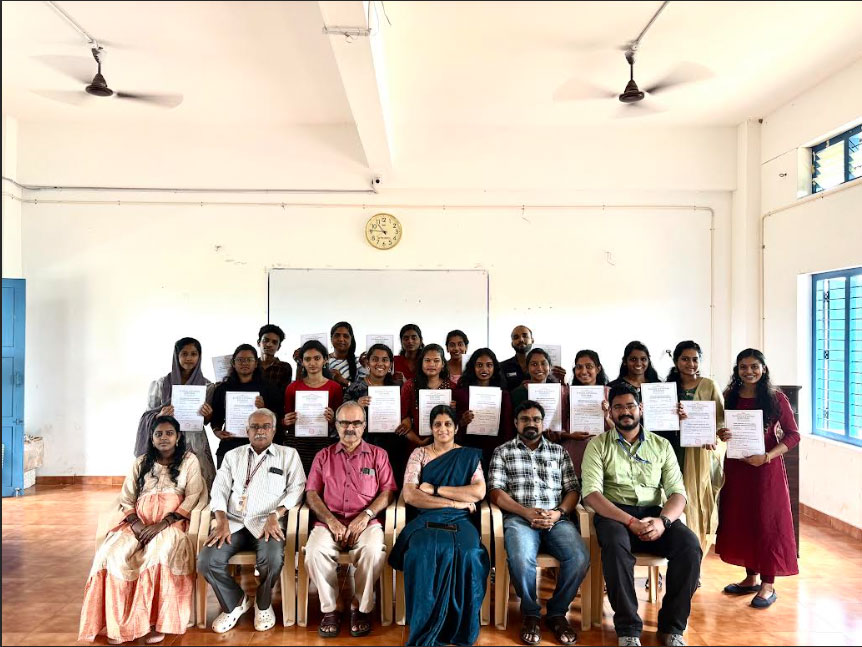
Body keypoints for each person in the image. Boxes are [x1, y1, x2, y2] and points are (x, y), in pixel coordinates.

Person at [581, 383, 701, 647]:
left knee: (690, 546)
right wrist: (630, 522)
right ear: (610, 412)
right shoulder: (597, 445)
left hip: (655, 516)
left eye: (630, 406)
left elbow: (678, 493)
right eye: (618, 407)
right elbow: (591, 494)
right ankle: (628, 630)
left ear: (641, 408)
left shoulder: (662, 445)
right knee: (614, 545)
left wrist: (663, 521)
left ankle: (672, 628)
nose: (625, 412)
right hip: (614, 514)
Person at [80, 415, 206, 644]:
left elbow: (194, 495)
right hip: (138, 523)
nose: (164, 438)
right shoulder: (141, 462)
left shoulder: (189, 461)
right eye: (159, 434)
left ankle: (155, 622)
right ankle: (118, 625)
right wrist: (136, 523)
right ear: (152, 438)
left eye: (169, 433)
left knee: (157, 555)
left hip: (172, 525)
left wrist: (163, 524)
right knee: (110, 554)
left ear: (178, 437)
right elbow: (127, 497)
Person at [488, 400, 589, 646]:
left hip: (556, 519)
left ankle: (557, 612)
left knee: (579, 557)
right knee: (521, 558)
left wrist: (558, 513)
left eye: (536, 419)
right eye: (525, 419)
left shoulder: (558, 452)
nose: (531, 423)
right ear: (516, 423)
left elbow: (573, 490)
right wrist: (525, 512)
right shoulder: (503, 451)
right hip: (519, 518)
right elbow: (495, 491)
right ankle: (531, 613)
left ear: (543, 423)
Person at [198, 408, 306, 633]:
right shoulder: (233, 456)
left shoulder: (288, 455)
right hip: (233, 523)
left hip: (267, 524)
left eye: (266, 426)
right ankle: (235, 602)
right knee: (206, 561)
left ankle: (263, 603)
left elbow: (297, 489)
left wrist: (276, 514)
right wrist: (221, 520)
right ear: (247, 431)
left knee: (272, 559)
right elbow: (219, 490)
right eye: (255, 427)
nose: (260, 431)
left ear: (274, 430)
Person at [389, 405, 490, 647]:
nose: (442, 429)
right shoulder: (419, 454)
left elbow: (478, 492)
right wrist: (455, 502)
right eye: (437, 424)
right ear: (431, 428)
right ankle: (424, 622)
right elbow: (411, 495)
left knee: (469, 554)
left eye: (448, 424)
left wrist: (435, 489)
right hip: (426, 517)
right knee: (421, 552)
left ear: (456, 428)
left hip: (461, 520)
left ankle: (460, 625)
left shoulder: (468, 456)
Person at [305, 402, 397, 638]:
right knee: (314, 552)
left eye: (356, 423)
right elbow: (312, 493)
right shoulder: (323, 456)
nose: (350, 428)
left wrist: (366, 515)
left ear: (364, 426)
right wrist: (330, 520)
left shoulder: (378, 455)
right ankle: (332, 606)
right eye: (344, 422)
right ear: (336, 425)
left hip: (366, 522)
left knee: (373, 551)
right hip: (330, 521)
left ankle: (360, 605)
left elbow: (388, 491)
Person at [716, 349, 799, 609]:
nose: (749, 371)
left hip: (765, 470)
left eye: (754, 366)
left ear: (764, 368)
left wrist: (767, 456)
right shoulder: (730, 395)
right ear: (737, 370)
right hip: (737, 468)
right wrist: (722, 433)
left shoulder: (776, 398)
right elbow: (720, 427)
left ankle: (768, 584)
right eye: (743, 367)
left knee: (766, 523)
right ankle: (751, 578)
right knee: (744, 520)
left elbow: (793, 435)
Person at [664, 341, 726, 558]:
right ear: (676, 361)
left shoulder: (709, 385)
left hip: (698, 455)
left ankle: (693, 558)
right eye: (685, 359)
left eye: (695, 359)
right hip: (671, 450)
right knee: (669, 499)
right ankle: (668, 559)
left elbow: (721, 422)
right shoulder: (668, 387)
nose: (690, 364)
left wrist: (713, 437)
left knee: (695, 502)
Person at [134, 337, 216, 487]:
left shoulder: (207, 386)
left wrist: (208, 414)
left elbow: (206, 421)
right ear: (176, 356)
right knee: (169, 482)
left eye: (193, 354)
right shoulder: (161, 384)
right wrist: (160, 415)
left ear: (199, 356)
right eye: (184, 354)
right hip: (167, 439)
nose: (189, 358)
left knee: (198, 481)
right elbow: (148, 414)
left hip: (195, 441)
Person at [345, 343, 410, 487]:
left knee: (392, 485)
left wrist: (407, 420)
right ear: (367, 363)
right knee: (366, 485)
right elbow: (341, 418)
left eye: (385, 360)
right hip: (364, 446)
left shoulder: (398, 387)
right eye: (375, 359)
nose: (380, 363)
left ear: (391, 364)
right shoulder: (355, 388)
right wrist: (356, 405)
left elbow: (408, 412)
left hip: (394, 446)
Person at [211, 344, 284, 468]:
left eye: (249, 360)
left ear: (256, 363)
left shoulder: (268, 388)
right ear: (233, 363)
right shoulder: (223, 389)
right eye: (240, 360)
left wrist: (264, 409)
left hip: (261, 447)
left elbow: (279, 417)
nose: (244, 363)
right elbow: (216, 418)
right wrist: (217, 431)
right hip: (230, 446)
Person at [284, 340, 344, 475]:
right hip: (297, 443)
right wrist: (286, 421)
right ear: (302, 362)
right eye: (307, 359)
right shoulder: (292, 387)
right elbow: (286, 421)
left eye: (317, 358)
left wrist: (333, 420)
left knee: (321, 479)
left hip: (323, 442)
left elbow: (339, 423)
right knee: (297, 479)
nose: (312, 363)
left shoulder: (335, 387)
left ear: (325, 360)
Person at [452, 347, 514, 473]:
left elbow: (507, 429)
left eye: (489, 365)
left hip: (494, 450)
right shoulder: (460, 394)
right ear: (472, 367)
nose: (484, 369)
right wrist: (462, 422)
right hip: (467, 449)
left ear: (494, 368)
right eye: (479, 365)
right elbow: (453, 427)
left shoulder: (503, 395)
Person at [563, 349, 614, 477]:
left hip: (603, 453)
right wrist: (569, 435)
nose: (584, 371)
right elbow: (558, 426)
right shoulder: (567, 393)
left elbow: (621, 430)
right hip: (574, 452)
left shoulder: (610, 393)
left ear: (598, 369)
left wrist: (607, 417)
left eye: (589, 366)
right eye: (579, 367)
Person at [398, 343, 453, 446]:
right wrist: (418, 442)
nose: (431, 364)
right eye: (427, 360)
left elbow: (457, 421)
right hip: (415, 442)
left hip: (445, 443)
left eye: (436, 361)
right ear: (421, 363)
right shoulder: (409, 386)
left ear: (443, 364)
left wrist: (453, 410)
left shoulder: (452, 387)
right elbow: (403, 417)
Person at [511, 348, 570, 431]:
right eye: (534, 364)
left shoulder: (558, 391)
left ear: (550, 367)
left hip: (556, 436)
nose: (539, 368)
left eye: (543, 363)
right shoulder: (518, 393)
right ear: (527, 368)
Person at [328, 321, 367, 389]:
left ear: (351, 340)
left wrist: (344, 381)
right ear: (331, 339)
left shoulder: (359, 362)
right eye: (337, 335)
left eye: (345, 336)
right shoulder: (323, 361)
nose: (341, 339)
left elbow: (364, 389)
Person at [258, 324, 293, 395]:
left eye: (274, 342)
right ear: (259, 343)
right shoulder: (251, 365)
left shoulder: (284, 367)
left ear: (278, 347)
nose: (269, 344)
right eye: (266, 340)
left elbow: (284, 395)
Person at [500, 325, 534, 391]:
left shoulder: (542, 366)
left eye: (525, 336)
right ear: (512, 344)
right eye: (516, 337)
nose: (521, 339)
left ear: (532, 340)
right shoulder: (502, 367)